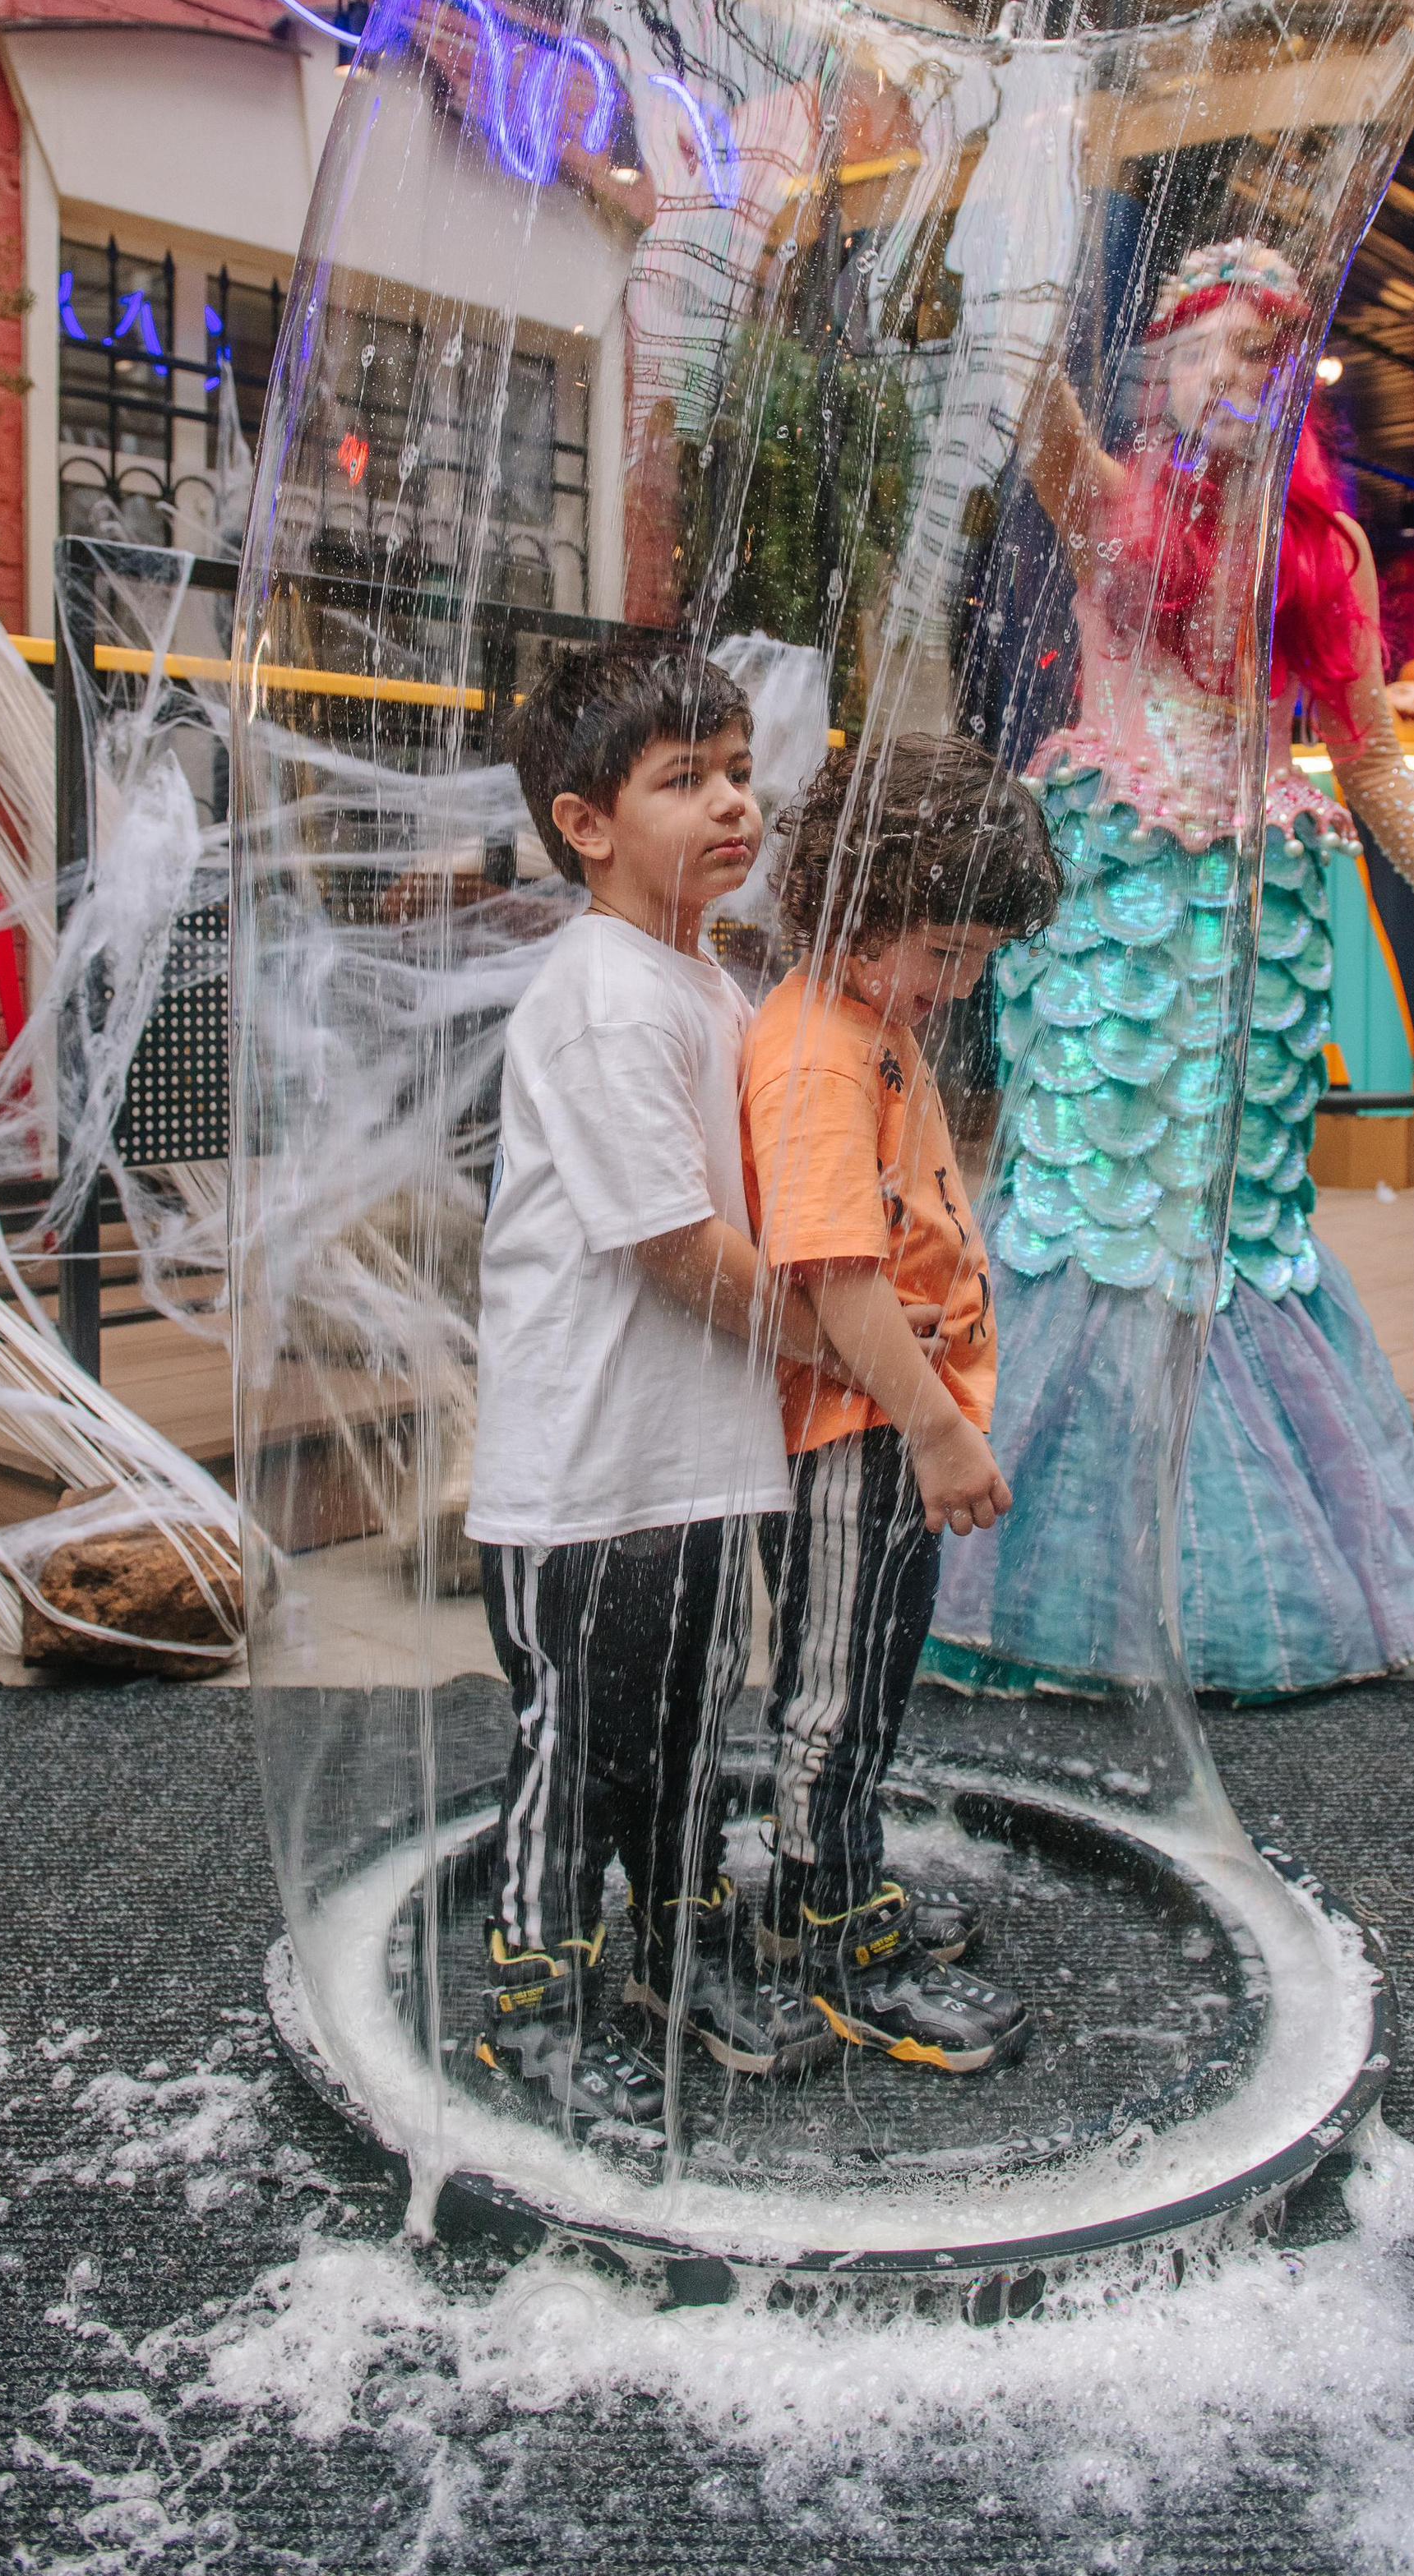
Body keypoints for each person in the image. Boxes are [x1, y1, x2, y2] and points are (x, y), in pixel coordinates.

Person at [927, 238, 1414, 1701]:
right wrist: (1018, 227)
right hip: (1119, 898)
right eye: (1210, 348)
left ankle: (1237, 1573)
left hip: (1248, 900)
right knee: (1083, 1205)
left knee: (1233, 1219)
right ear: (1165, 367)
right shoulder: (1112, 505)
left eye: (1263, 355)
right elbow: (1033, 413)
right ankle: (1041, 1576)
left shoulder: (1328, 551)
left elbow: (1368, 752)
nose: (1235, 376)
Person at [464, 644, 833, 2143]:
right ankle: (535, 2001)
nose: (734, 804)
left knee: (686, 1727)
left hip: (689, 1460)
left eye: (739, 770)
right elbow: (674, 1243)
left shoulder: (700, 975)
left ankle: (676, 1950)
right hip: (588, 1473)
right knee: (573, 1741)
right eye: (685, 780)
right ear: (588, 823)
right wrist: (830, 1342)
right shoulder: (608, 995)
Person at [742, 733, 1059, 2067]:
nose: (963, 984)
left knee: (867, 1676)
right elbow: (829, 1264)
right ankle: (825, 1935)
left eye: (981, 958)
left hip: (887, 1424)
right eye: (945, 951)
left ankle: (840, 1882)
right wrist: (934, 1427)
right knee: (835, 1687)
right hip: (859, 1439)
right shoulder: (818, 1053)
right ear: (854, 909)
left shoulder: (863, 1020)